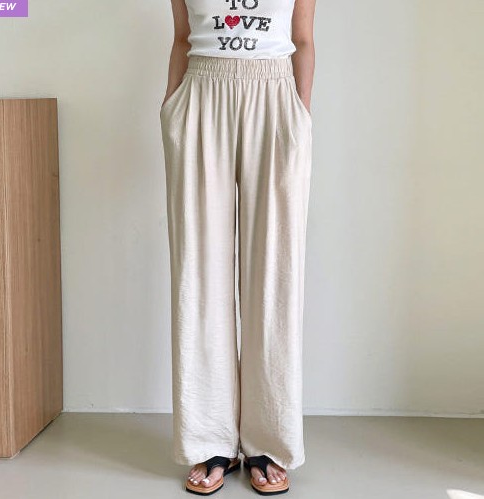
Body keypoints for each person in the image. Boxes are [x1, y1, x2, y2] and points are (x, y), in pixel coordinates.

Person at [159, 0, 316, 495]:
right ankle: (210, 440)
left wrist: (299, 114)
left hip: (275, 97)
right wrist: (171, 108)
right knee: (198, 272)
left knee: (275, 271)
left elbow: (303, 39)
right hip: (201, 96)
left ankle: (268, 441)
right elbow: (182, 37)